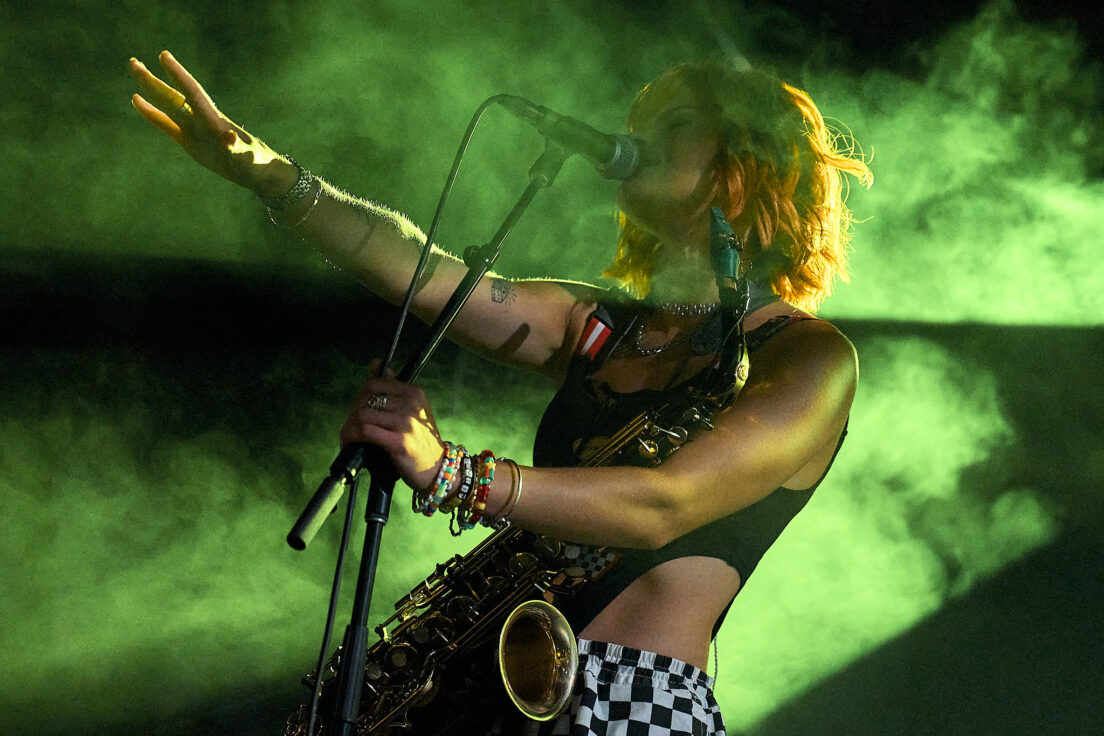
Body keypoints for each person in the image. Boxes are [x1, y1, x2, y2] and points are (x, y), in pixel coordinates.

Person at [129, 50, 871, 736]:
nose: (633, 139)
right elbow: (423, 273)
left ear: (745, 165)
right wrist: (269, 174)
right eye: (637, 122)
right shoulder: (600, 325)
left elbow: (663, 505)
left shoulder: (810, 357)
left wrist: (454, 474)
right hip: (502, 698)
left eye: (673, 124)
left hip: (638, 700)